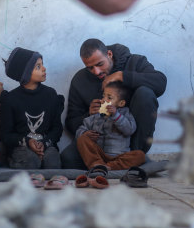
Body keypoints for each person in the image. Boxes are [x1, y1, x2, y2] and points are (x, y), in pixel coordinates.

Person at [62, 39, 166, 169]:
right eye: (90, 67)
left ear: (109, 54)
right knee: (67, 159)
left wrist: (123, 76)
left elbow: (160, 83)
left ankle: (129, 159)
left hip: (127, 143)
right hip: (97, 146)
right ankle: (105, 165)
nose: (96, 71)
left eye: (100, 64)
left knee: (145, 93)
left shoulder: (134, 62)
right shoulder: (80, 79)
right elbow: (71, 122)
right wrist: (88, 114)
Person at [0, 47, 63, 169]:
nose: (44, 68)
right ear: (26, 73)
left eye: (42, 64)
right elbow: (6, 135)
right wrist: (28, 142)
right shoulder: (10, 99)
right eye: (38, 67)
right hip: (21, 147)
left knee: (52, 162)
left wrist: (44, 144)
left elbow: (57, 128)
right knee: (31, 162)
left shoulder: (50, 94)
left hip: (47, 144)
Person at [76, 81, 145, 171]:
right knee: (82, 139)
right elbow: (80, 129)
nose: (103, 100)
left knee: (140, 156)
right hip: (99, 154)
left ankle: (110, 166)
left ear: (121, 103)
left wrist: (116, 115)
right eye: (103, 96)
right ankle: (96, 164)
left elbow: (130, 130)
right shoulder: (97, 114)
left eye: (109, 97)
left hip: (119, 156)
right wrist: (85, 133)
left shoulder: (124, 113)